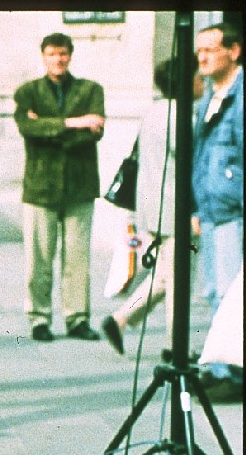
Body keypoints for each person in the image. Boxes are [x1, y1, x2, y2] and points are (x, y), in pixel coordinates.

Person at [100, 60, 202, 356]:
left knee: (164, 277)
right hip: (178, 211)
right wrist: (195, 211)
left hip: (156, 208)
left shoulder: (154, 112)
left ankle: (119, 320)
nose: (202, 82)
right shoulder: (182, 117)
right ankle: (176, 347)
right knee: (180, 283)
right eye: (197, 77)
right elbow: (191, 168)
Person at [14, 32, 106, 343]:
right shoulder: (27, 92)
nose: (58, 59)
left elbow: (95, 132)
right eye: (52, 53)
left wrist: (48, 127)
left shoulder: (91, 90)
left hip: (80, 185)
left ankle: (77, 318)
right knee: (38, 259)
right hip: (40, 187)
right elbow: (27, 128)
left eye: (63, 53)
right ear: (43, 56)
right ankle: (39, 318)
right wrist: (72, 123)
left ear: (71, 55)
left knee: (77, 258)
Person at [191, 21, 243, 396]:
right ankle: (220, 364)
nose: (203, 58)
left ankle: (232, 373)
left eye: (210, 49)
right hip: (211, 209)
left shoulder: (240, 97)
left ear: (234, 51)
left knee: (229, 291)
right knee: (214, 289)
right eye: (199, 52)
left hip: (233, 210)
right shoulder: (211, 94)